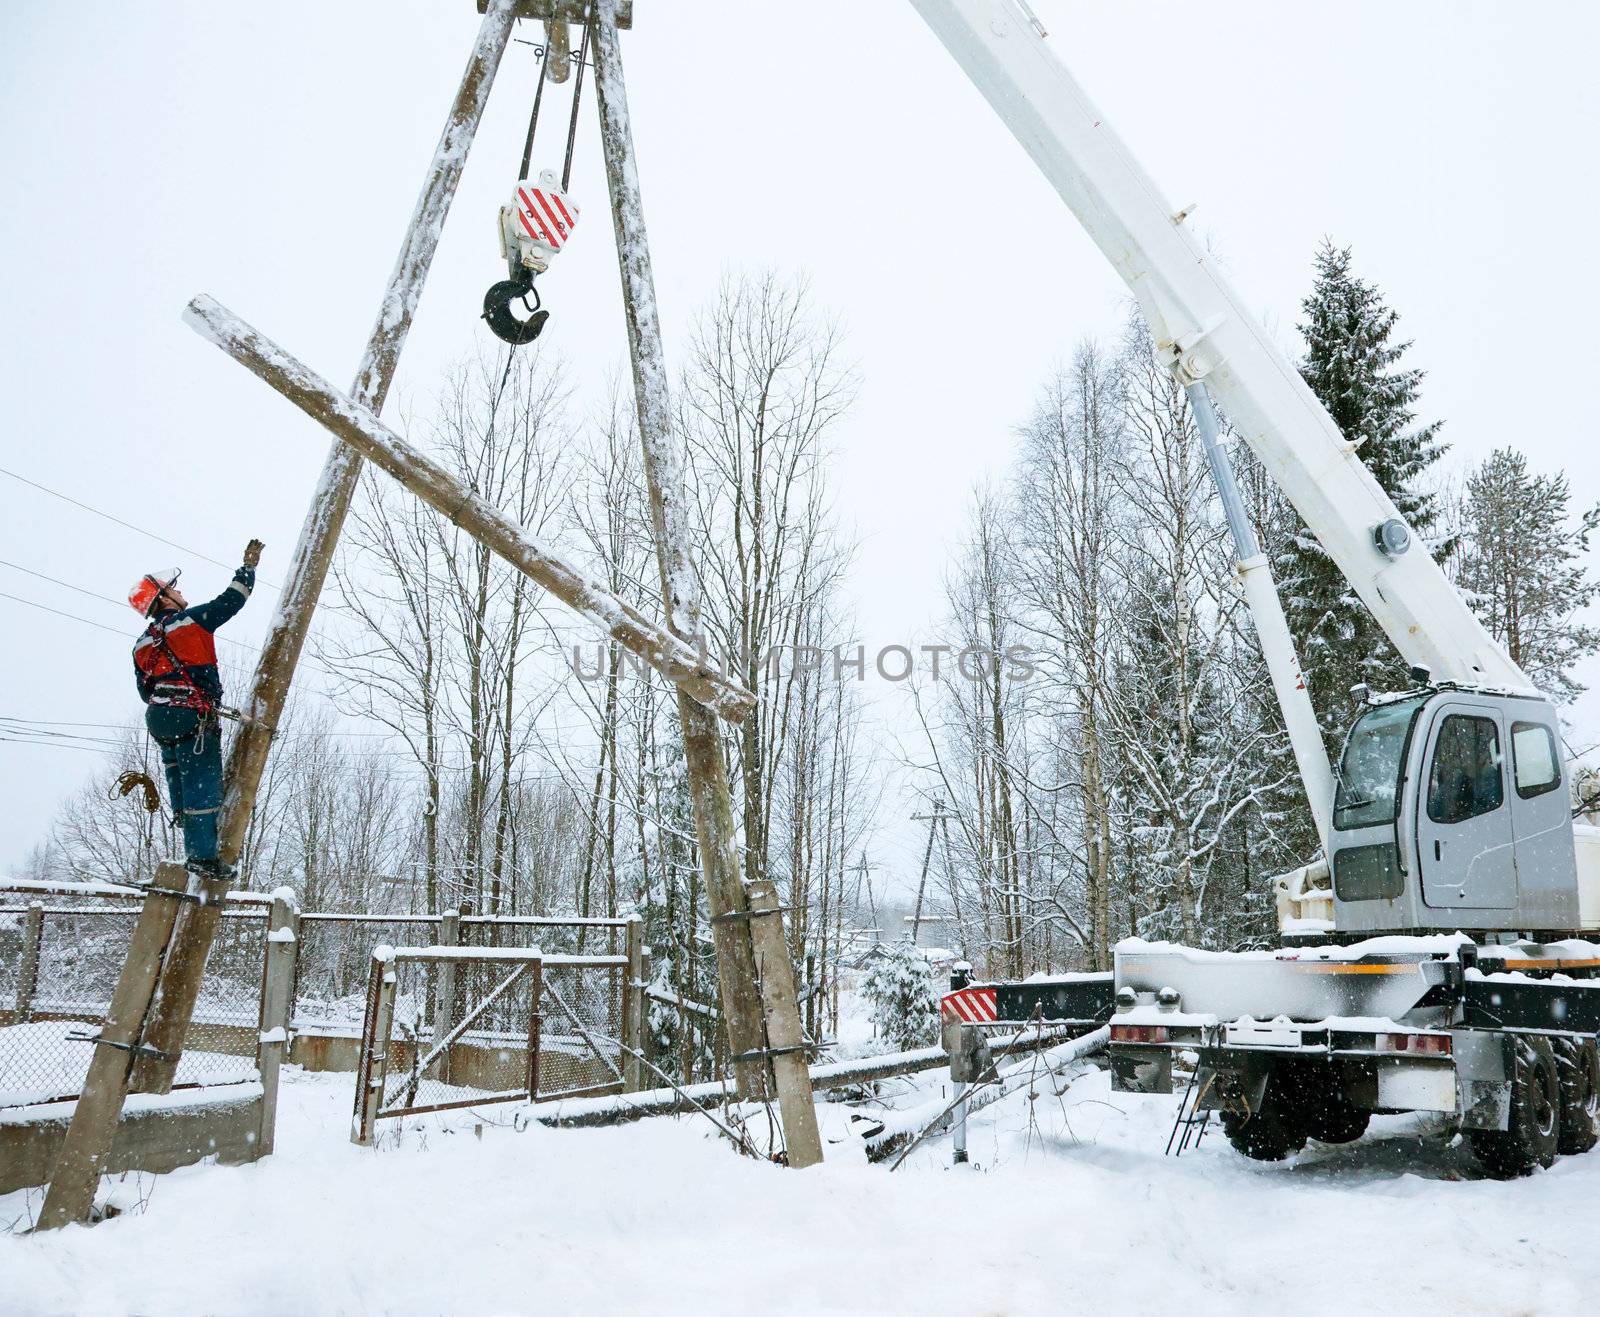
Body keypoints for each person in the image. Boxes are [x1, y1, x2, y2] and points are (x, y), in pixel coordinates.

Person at [128, 541, 264, 876]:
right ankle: (202, 857)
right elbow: (231, 601)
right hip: (190, 713)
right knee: (202, 782)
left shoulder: (142, 643)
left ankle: (186, 826)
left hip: (159, 716)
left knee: (178, 774)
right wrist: (247, 569)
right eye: (173, 589)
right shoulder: (188, 622)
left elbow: (145, 690)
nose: (180, 592)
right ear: (164, 599)